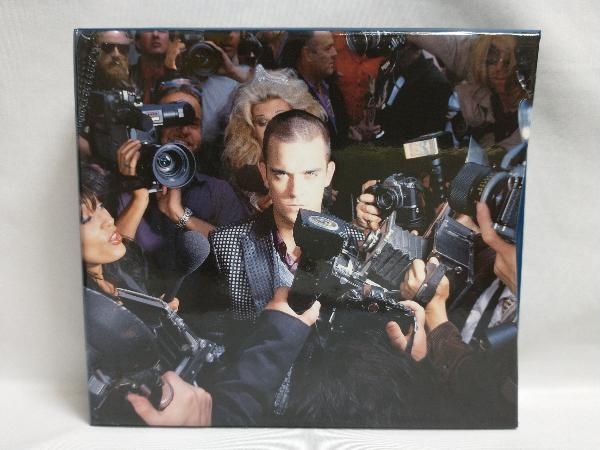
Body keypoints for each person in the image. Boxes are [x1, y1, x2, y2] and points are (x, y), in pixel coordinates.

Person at [79, 164, 321, 426]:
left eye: (101, 206)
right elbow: (230, 418)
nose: (108, 219)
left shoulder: (121, 267)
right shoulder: (86, 330)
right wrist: (282, 331)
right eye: (87, 219)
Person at [221, 64, 327, 212]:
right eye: (262, 122)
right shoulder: (240, 173)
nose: (272, 127)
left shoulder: (318, 158)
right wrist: (255, 202)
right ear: (250, 129)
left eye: (281, 118)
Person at [454, 34, 529, 149]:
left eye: (508, 59)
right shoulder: (493, 100)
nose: (499, 67)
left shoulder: (530, 102)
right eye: (492, 57)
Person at [279, 31, 351, 149]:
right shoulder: (289, 97)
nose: (335, 53)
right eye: (327, 49)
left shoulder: (332, 88)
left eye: (333, 47)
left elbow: (338, 136)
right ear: (307, 54)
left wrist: (353, 133)